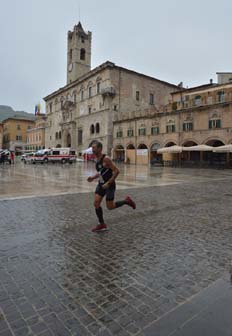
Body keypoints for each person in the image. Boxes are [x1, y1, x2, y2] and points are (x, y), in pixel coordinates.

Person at [87, 140, 136, 232]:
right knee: (96, 203)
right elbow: (101, 172)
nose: (92, 150)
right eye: (92, 148)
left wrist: (108, 183)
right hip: (101, 184)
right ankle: (102, 224)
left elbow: (117, 171)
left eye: (94, 148)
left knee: (110, 207)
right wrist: (93, 177)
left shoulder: (106, 159)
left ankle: (126, 201)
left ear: (100, 149)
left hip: (110, 185)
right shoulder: (96, 159)